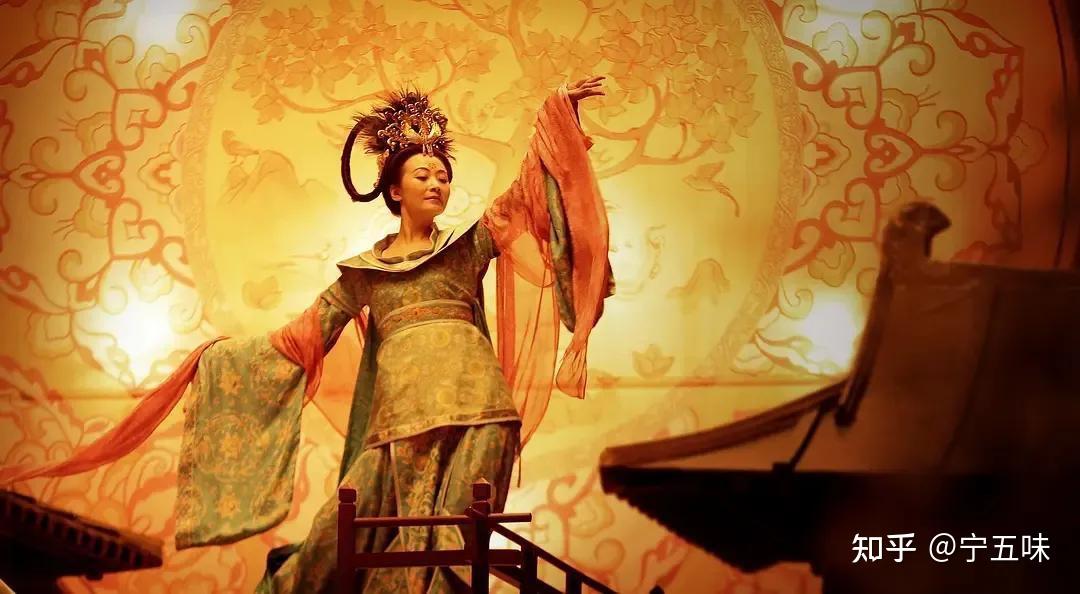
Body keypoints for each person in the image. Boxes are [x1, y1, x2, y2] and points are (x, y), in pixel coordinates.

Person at [0, 76, 613, 594]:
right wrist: (219, 358)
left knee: (453, 553)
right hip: (396, 423)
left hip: (480, 410)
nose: (437, 183)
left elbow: (530, 192)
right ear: (394, 189)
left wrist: (558, 111)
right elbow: (300, 339)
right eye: (423, 174)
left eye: (443, 176)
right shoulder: (363, 275)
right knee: (337, 542)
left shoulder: (468, 246)